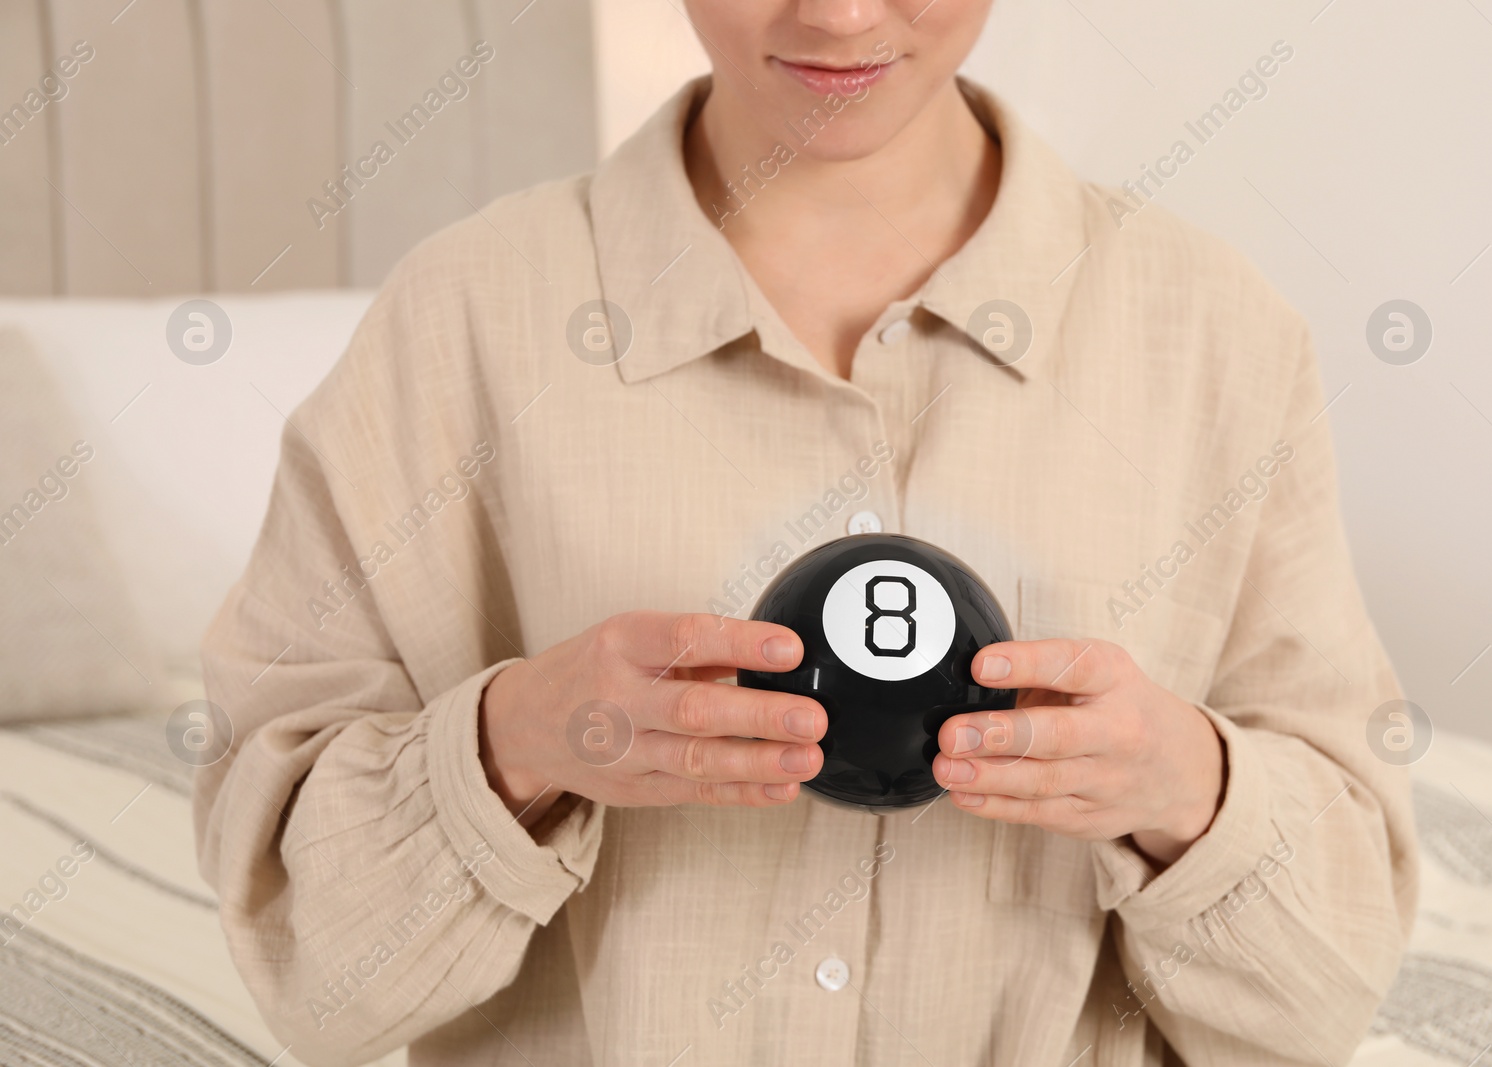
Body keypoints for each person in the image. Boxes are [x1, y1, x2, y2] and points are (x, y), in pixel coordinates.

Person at [196, 2, 1417, 1064]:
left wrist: (1184, 786)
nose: (837, 16)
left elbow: (1325, 994)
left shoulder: (1219, 336)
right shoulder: (459, 320)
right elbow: (313, 979)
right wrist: (516, 740)